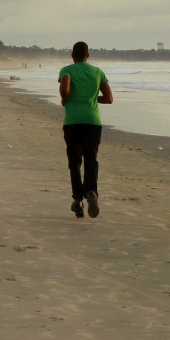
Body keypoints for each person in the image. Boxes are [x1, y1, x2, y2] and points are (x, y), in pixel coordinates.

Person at [58, 41, 113, 218]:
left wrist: (65, 99)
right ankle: (91, 192)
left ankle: (78, 199)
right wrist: (93, 100)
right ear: (87, 55)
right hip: (92, 121)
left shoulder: (67, 70)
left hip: (73, 121)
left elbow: (64, 87)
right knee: (91, 159)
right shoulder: (98, 72)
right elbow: (109, 98)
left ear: (72, 55)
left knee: (75, 162)